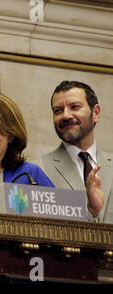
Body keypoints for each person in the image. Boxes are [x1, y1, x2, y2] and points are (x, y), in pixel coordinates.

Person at [37, 81, 111, 223]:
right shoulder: (38, 171)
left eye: (74, 107)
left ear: (96, 113)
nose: (65, 115)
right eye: (57, 110)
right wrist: (90, 212)